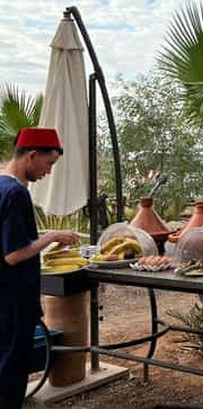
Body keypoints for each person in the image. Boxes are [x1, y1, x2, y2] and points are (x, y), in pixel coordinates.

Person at [1, 128, 78, 409]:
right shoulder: (16, 193)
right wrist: (52, 236)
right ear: (32, 155)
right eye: (49, 163)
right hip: (14, 300)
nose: (49, 171)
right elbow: (13, 254)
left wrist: (42, 237)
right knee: (10, 375)